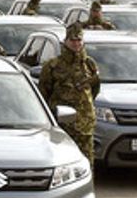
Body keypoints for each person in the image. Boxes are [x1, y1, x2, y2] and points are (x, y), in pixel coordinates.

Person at [38, 23, 100, 162]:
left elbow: (94, 90)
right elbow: (44, 94)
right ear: (66, 41)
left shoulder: (90, 64)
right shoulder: (52, 66)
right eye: (72, 40)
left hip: (85, 126)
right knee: (62, 162)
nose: (76, 44)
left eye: (79, 40)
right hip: (62, 126)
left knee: (86, 163)